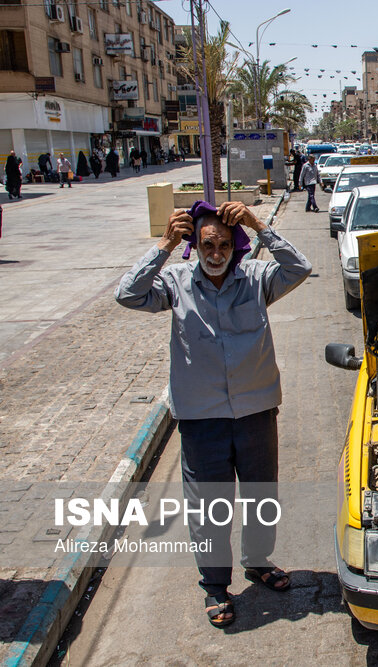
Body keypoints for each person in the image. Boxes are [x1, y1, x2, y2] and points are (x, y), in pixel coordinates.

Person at [115, 199, 311, 629]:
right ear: (195, 245)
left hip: (256, 411)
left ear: (235, 244)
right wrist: (165, 243)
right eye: (207, 244)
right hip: (202, 419)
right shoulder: (176, 282)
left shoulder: (257, 279)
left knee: (262, 496)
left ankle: (258, 562)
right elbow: (128, 294)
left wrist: (258, 224)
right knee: (209, 506)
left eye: (224, 243)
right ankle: (215, 585)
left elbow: (300, 268)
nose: (216, 252)